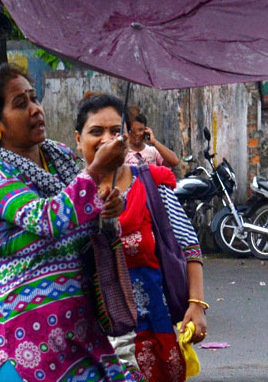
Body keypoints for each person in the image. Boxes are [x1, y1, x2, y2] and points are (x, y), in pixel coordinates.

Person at [0, 64, 142, 381]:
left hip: (78, 332)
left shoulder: (60, 156)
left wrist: (106, 213)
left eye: (34, 98)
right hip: (18, 336)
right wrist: (95, 172)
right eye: (21, 104)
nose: (35, 110)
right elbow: (48, 218)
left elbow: (81, 223)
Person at [74, 93, 207, 382]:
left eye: (115, 131)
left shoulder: (150, 182)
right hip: (88, 336)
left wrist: (196, 305)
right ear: (77, 138)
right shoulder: (67, 196)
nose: (108, 140)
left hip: (151, 329)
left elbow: (190, 245)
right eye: (96, 132)